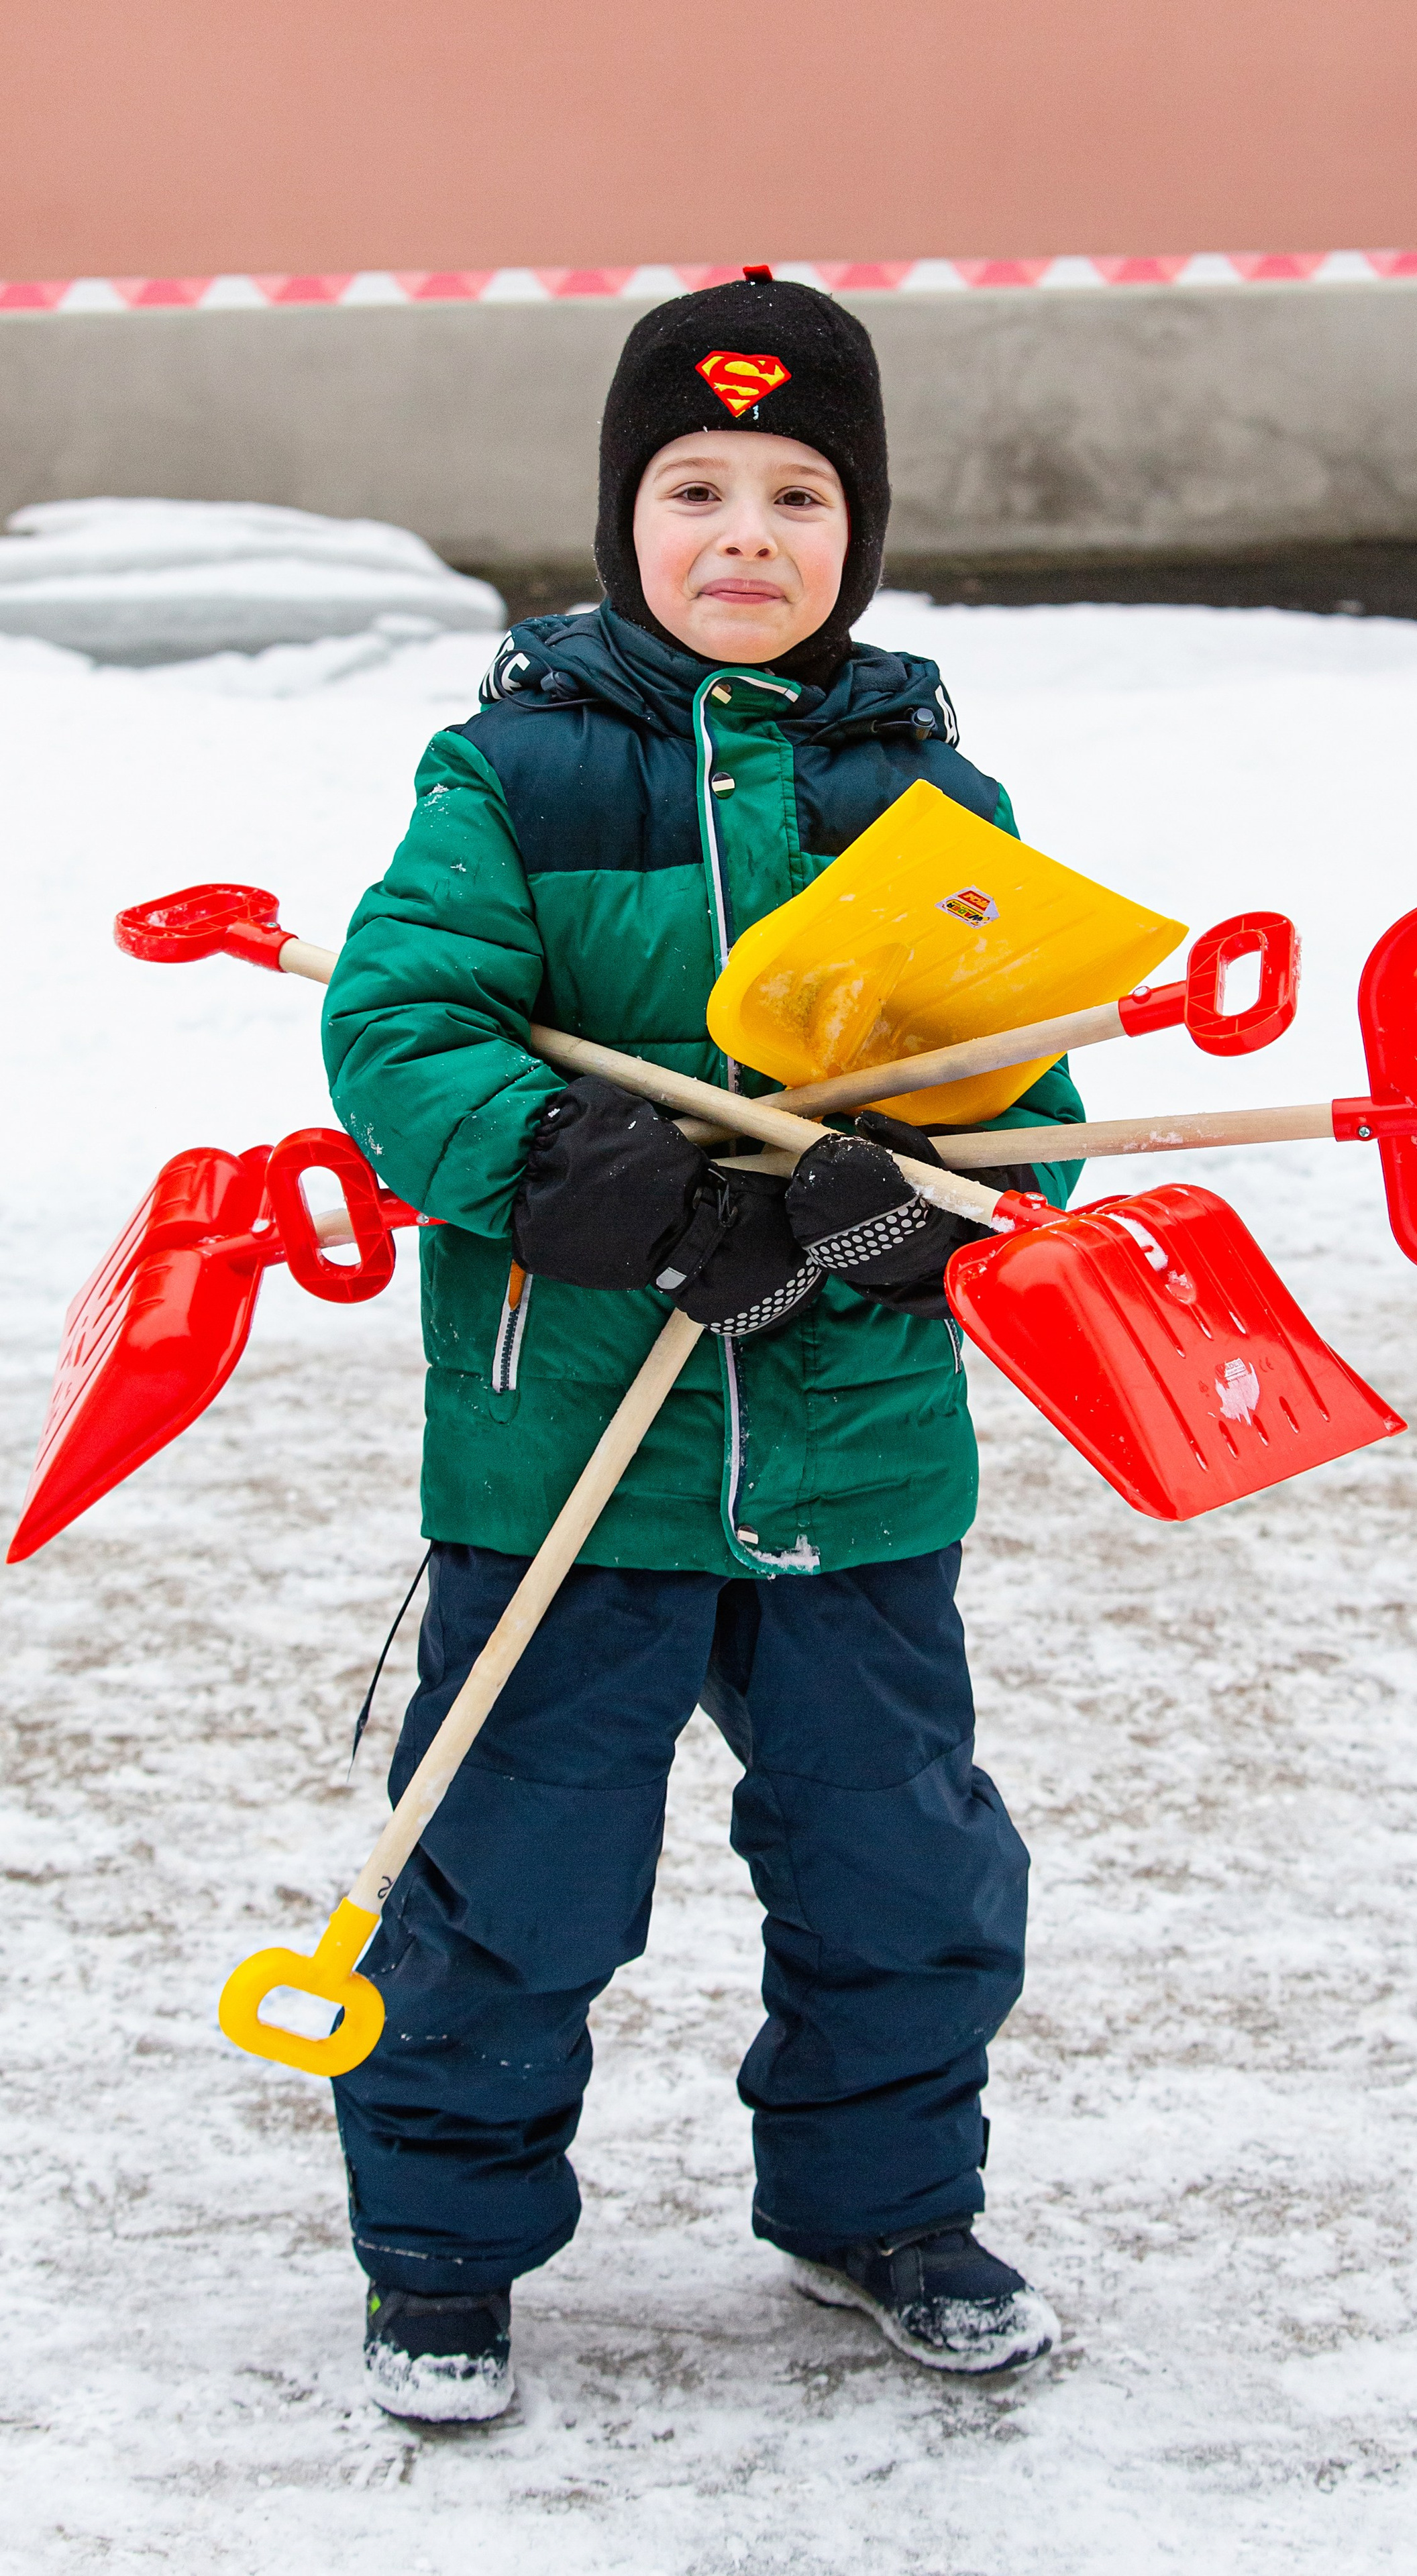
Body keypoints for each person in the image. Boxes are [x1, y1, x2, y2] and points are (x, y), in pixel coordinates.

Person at [321, 272, 1086, 2422]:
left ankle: (884, 2206)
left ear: (857, 530)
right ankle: (447, 2248)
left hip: (852, 1464)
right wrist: (636, 1191)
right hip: (567, 1456)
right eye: (693, 487)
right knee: (508, 1883)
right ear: (620, 515)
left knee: (903, 1863)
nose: (744, 534)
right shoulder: (514, 775)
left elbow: (1030, 1119)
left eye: (795, 493)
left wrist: (892, 1208)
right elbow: (398, 1039)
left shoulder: (928, 805)